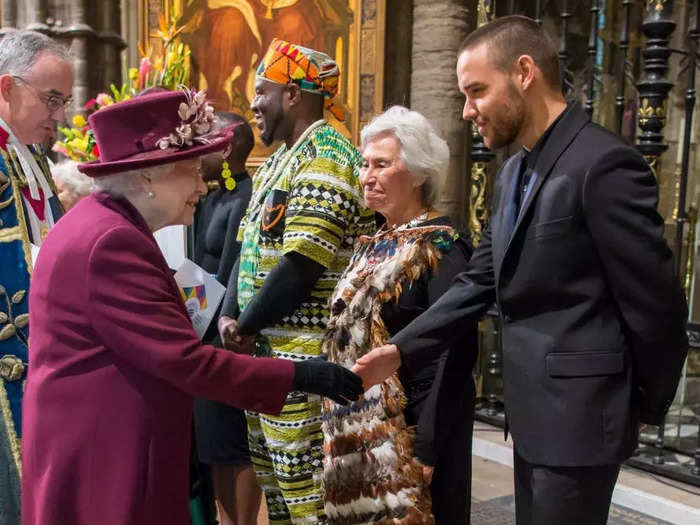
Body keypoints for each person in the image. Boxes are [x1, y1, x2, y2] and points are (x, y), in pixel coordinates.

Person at [354, 16, 688, 525]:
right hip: (532, 418)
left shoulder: (604, 164)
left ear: (524, 72)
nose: (467, 112)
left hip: (582, 419)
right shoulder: (512, 173)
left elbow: (655, 306)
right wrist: (400, 350)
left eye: (477, 92)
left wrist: (641, 405)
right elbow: (477, 281)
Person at [21, 89, 363, 525]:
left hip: (99, 435)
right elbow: (185, 361)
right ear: (148, 176)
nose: (203, 186)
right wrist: (304, 374)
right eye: (192, 172)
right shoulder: (111, 241)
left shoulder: (104, 222)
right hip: (105, 450)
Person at [217, 39, 375, 524]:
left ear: (292, 94)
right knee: (281, 500)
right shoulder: (280, 161)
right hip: (270, 361)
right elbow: (248, 253)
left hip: (306, 363)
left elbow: (301, 265)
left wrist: (242, 325)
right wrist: (228, 313)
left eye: (262, 91)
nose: (254, 105)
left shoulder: (326, 155)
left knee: (312, 505)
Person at [321, 106, 476, 524]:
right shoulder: (375, 241)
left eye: (382, 165)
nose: (367, 176)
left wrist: (428, 445)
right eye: (365, 165)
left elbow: (457, 351)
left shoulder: (443, 246)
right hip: (355, 432)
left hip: (410, 431)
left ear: (421, 173)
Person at [0, 29, 72, 523]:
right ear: (7, 88)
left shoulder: (29, 157)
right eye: (51, 99)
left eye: (63, 101)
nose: (60, 115)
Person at [192, 112, 260, 525]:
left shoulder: (247, 196)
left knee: (232, 442)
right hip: (199, 326)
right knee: (210, 443)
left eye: (207, 139)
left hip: (223, 333)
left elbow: (235, 270)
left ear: (227, 146)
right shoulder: (211, 194)